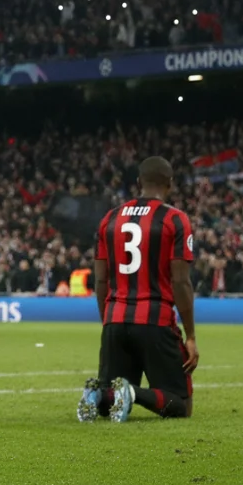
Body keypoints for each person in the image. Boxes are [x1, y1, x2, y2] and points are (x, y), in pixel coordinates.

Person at [77, 156, 199, 422]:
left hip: (115, 319)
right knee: (180, 405)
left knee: (110, 402)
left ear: (138, 182)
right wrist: (190, 335)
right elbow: (180, 282)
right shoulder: (175, 220)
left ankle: (98, 394)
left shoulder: (109, 219)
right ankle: (132, 392)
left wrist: (107, 322)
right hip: (155, 320)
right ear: (170, 184)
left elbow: (101, 280)